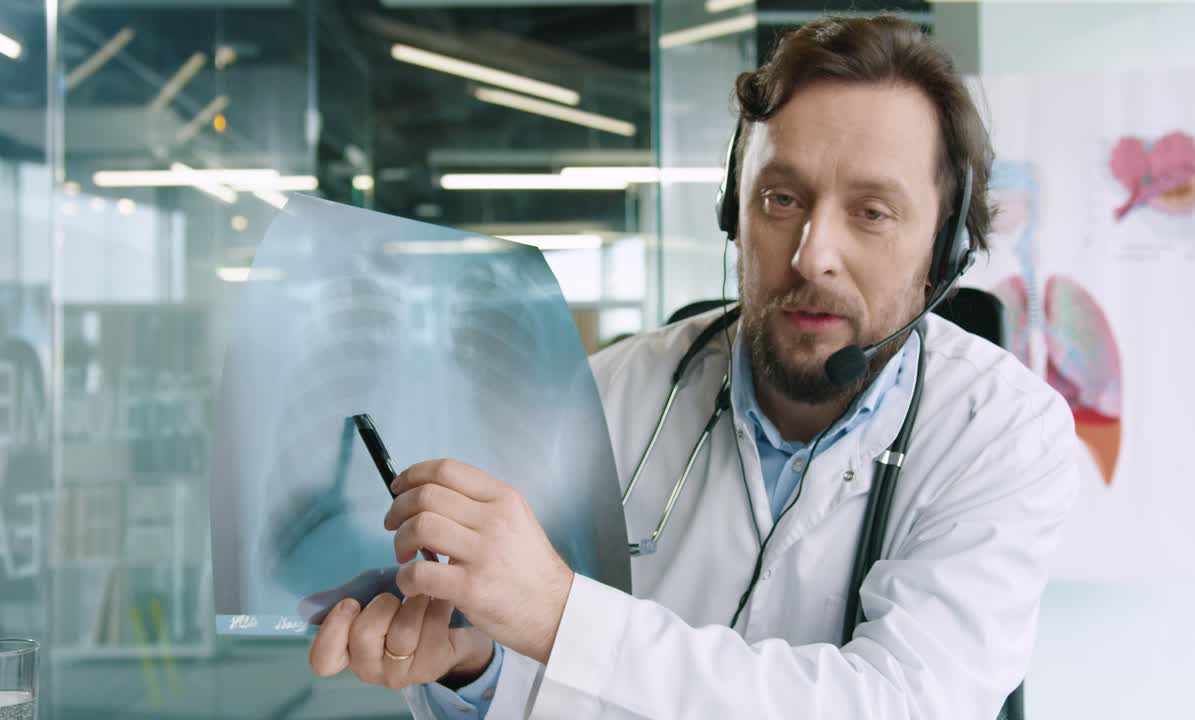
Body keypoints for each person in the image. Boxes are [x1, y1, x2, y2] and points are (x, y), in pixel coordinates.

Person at [307, 14, 1078, 719]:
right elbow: (561, 687)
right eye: (781, 199)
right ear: (732, 213)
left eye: (872, 212)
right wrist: (473, 668)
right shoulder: (610, 395)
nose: (814, 255)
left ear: (944, 249)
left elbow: (901, 705)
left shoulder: (1003, 430)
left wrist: (561, 615)